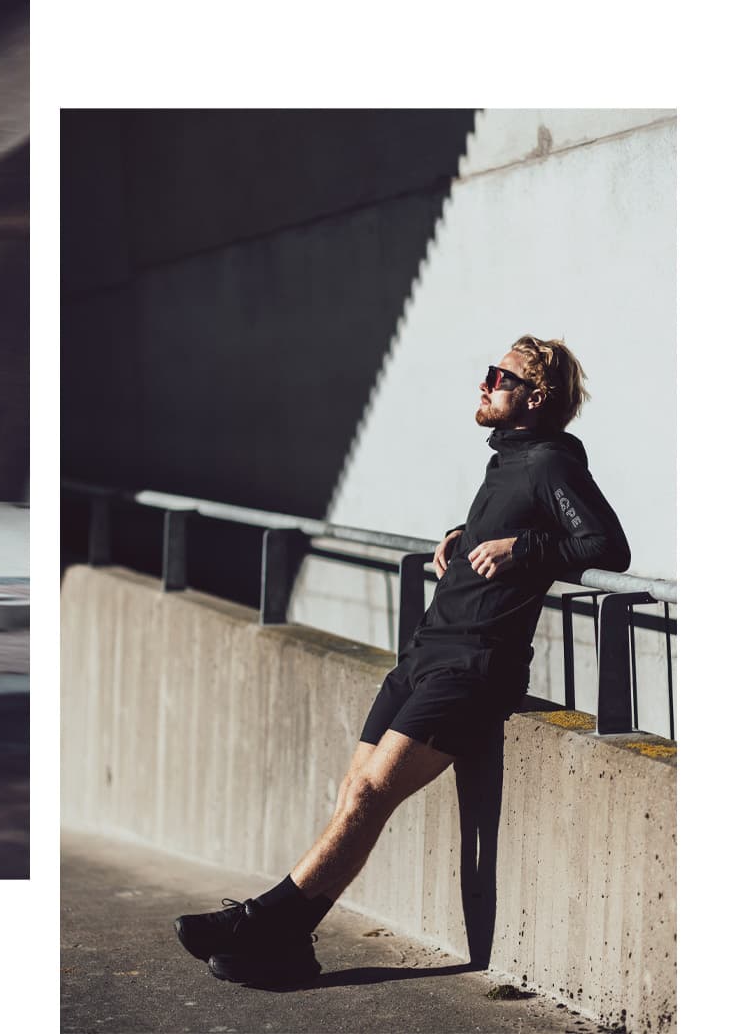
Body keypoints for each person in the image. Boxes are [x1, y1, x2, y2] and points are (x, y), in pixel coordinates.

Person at [173, 335, 630, 988]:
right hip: (426, 650)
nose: (485, 383)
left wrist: (522, 549)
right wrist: (462, 536)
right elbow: (507, 525)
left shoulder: (553, 460)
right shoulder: (509, 460)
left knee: (367, 793)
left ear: (536, 395)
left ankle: (262, 922)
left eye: (499, 376)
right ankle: (289, 946)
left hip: (474, 666)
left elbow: (606, 545)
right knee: (351, 792)